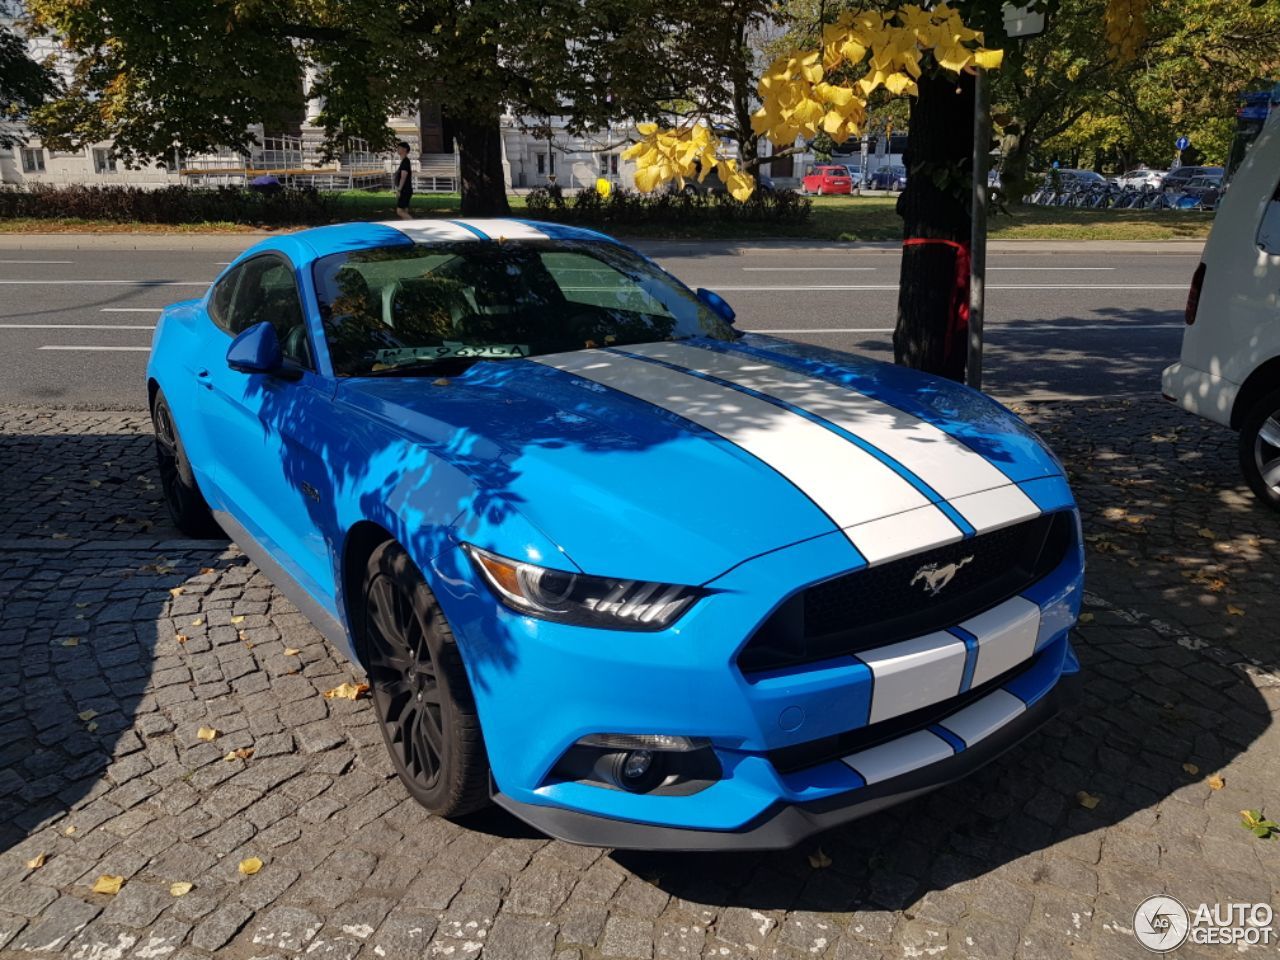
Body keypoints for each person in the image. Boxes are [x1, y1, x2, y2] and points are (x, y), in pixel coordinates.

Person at [394, 142, 413, 220]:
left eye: (399, 148)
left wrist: (399, 190)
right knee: (405, 211)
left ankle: (415, 224)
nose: (397, 149)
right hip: (406, 190)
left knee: (399, 211)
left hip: (405, 190)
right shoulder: (405, 161)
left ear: (405, 149)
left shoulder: (405, 161)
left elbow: (403, 177)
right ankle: (409, 228)